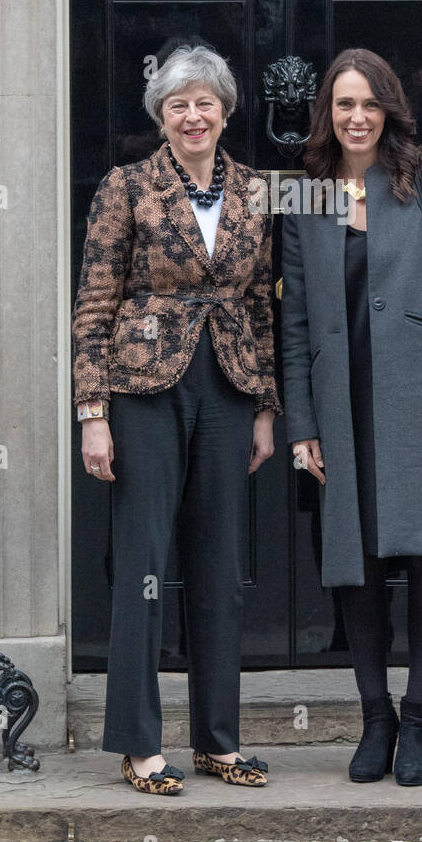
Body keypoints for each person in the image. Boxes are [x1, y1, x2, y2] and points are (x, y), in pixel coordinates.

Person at [280, 48, 422, 787]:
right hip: (343, 409)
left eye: (368, 104)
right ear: (327, 113)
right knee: (358, 569)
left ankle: (418, 720)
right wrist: (301, 424)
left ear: (387, 111)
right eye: (342, 105)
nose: (355, 118)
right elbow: (292, 326)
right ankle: (374, 720)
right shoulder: (306, 194)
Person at [72, 45, 279, 795]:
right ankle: (138, 742)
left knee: (219, 569)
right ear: (160, 116)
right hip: (142, 389)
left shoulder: (257, 192)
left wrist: (264, 407)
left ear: (225, 110)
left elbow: (259, 306)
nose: (192, 116)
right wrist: (93, 415)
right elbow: (93, 307)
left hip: (226, 383)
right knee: (145, 565)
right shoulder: (126, 187)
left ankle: (217, 741)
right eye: (177, 105)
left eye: (204, 102)